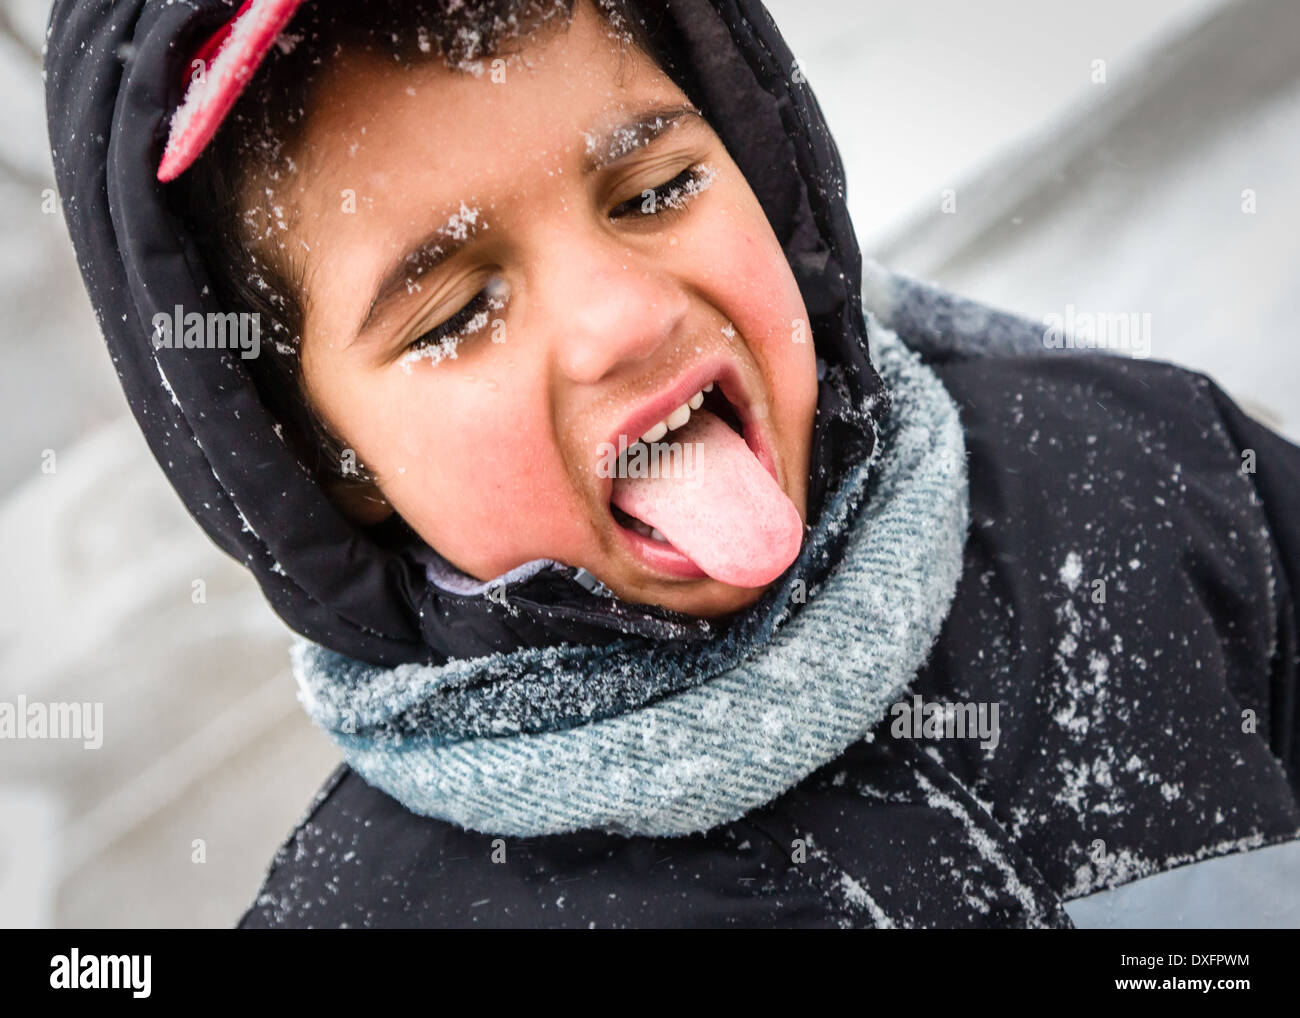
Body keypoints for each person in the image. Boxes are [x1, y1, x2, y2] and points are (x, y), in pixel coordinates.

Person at [45, 0, 1300, 928]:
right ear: (324, 462)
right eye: (454, 315)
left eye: (651, 190)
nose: (622, 320)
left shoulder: (1141, 468)